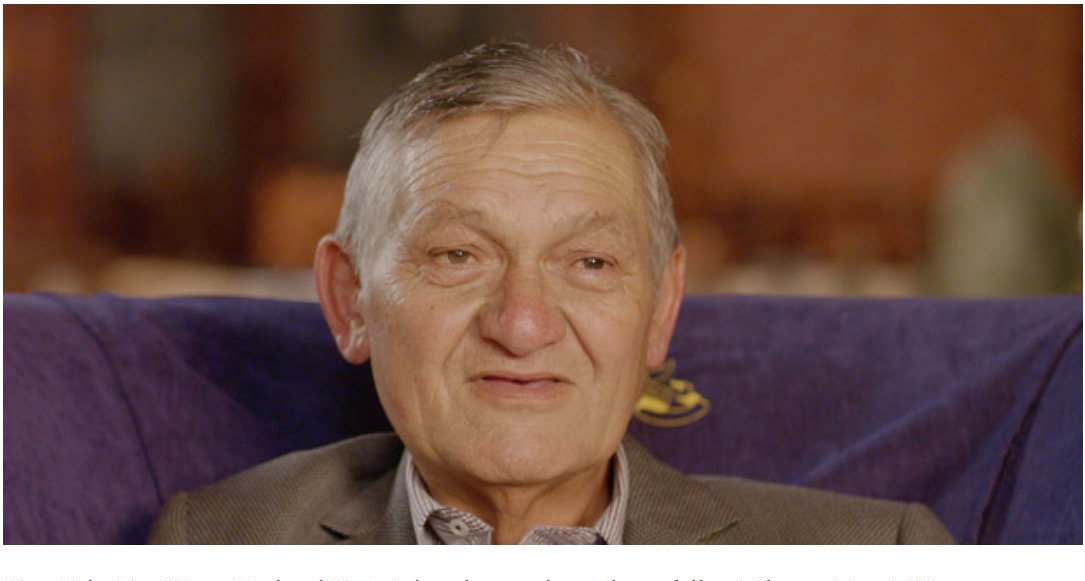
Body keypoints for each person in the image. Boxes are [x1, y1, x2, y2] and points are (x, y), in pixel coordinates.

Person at [148, 42, 954, 545]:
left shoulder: (879, 563)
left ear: (661, 307)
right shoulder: (215, 550)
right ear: (349, 300)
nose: (523, 324)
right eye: (459, 255)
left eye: (591, 263)